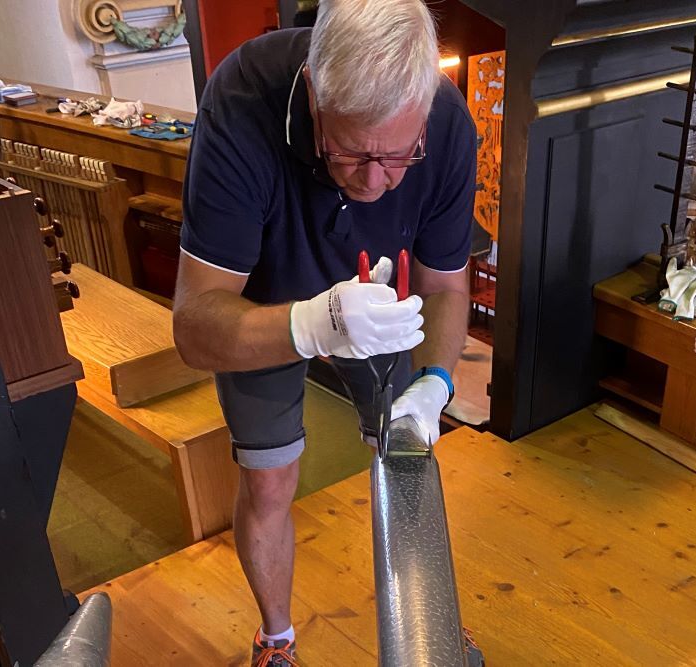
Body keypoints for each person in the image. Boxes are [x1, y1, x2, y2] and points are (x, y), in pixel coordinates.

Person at [172, 1, 476, 665]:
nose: (375, 180)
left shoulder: (448, 121)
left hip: (383, 292)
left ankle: (424, 628)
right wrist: (315, 323)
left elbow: (446, 287)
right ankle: (276, 640)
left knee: (408, 451)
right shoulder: (241, 101)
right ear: (313, 92)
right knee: (269, 480)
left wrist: (436, 383)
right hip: (261, 303)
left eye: (398, 156)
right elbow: (194, 326)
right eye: (350, 150)